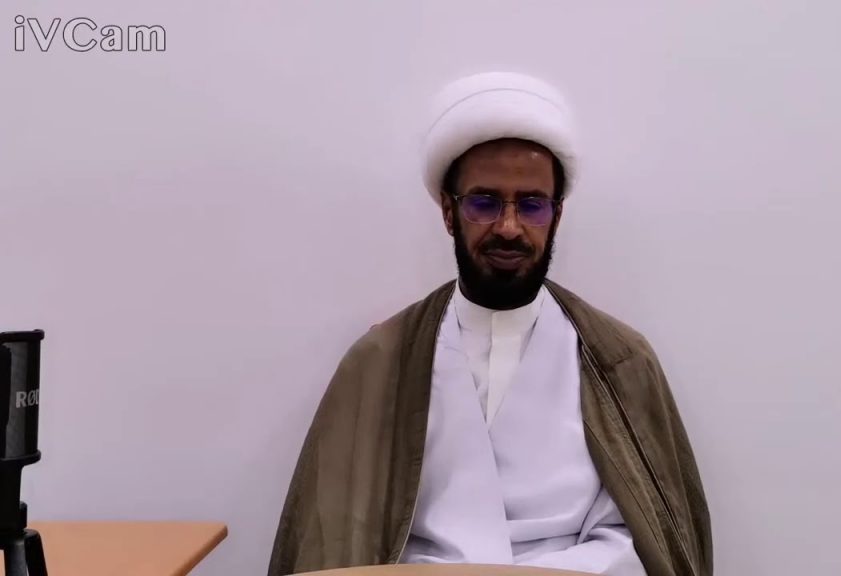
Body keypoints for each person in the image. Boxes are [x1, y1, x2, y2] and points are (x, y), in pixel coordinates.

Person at [268, 71, 712, 576]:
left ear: (556, 215)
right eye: (484, 202)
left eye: (532, 205)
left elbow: (640, 538)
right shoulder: (380, 361)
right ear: (449, 212)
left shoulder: (621, 361)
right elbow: (333, 536)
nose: (509, 227)